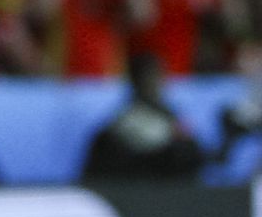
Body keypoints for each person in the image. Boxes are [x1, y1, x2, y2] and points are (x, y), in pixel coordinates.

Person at [82, 51, 204, 182]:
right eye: (150, 76)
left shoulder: (172, 118)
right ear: (135, 80)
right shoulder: (117, 127)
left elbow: (197, 160)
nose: (157, 83)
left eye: (160, 76)